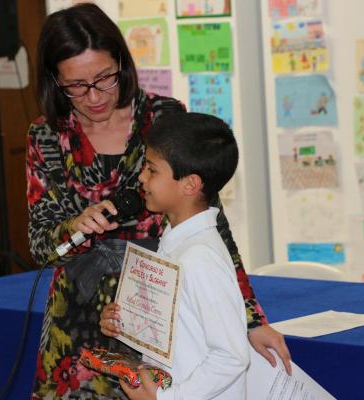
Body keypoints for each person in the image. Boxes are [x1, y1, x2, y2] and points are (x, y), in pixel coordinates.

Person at [27, 4, 290, 399]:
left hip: (165, 320)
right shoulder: (45, 137)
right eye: (77, 86)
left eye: (104, 78)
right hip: (80, 326)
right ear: (54, 82)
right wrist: (75, 226)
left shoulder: (163, 116)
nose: (94, 95)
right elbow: (41, 245)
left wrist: (251, 319)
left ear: (122, 63)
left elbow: (210, 221)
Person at [106, 112, 250, 399]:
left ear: (189, 185)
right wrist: (126, 322)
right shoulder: (175, 243)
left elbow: (232, 356)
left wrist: (164, 399)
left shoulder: (199, 258)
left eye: (152, 169)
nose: (142, 177)